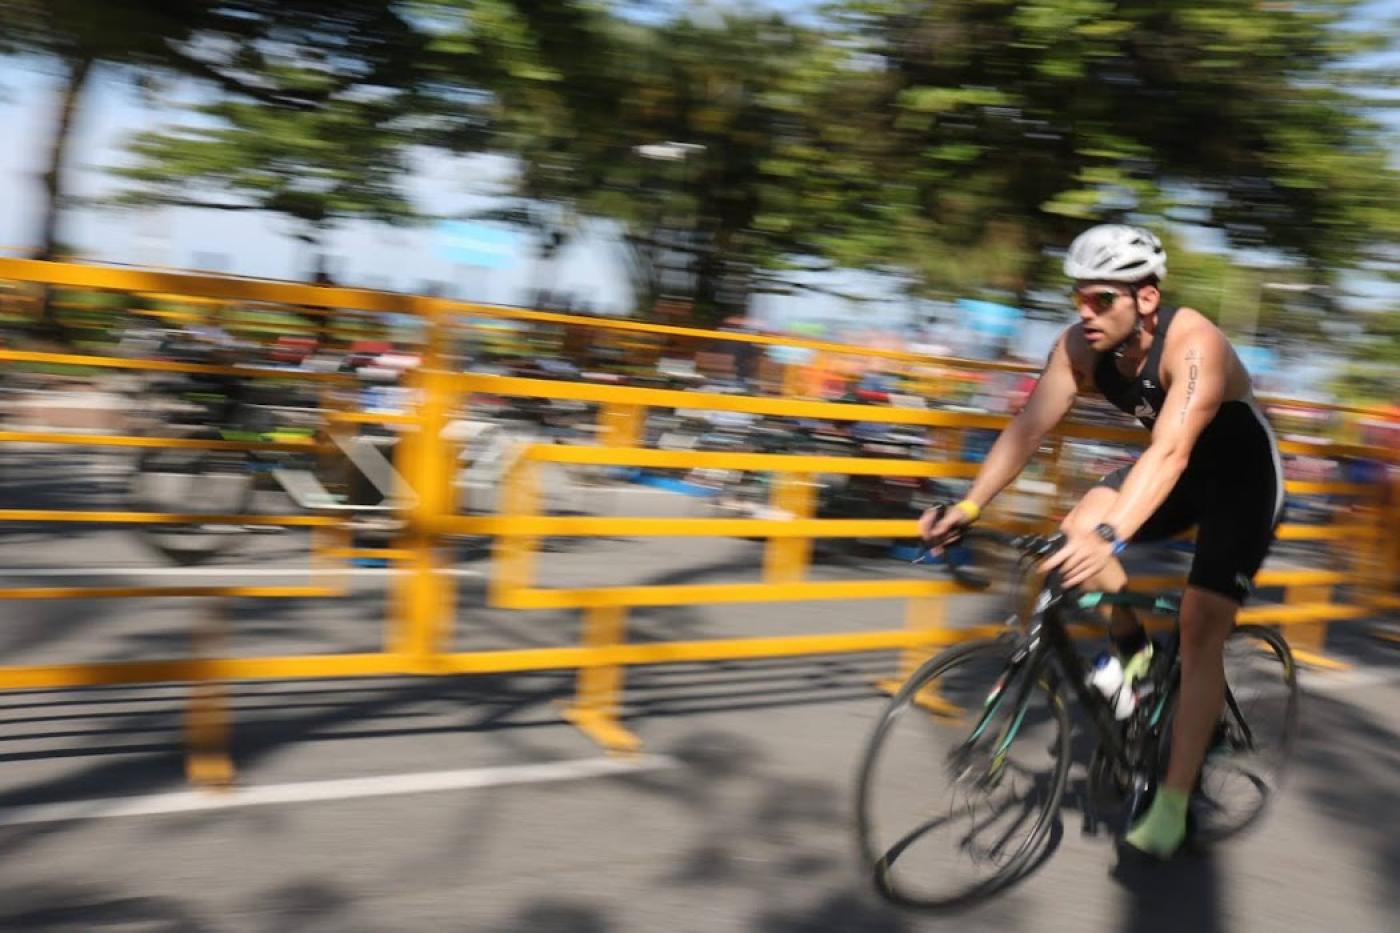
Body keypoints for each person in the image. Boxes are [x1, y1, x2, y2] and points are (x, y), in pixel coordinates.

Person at [919, 224, 1284, 860]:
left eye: (1100, 300)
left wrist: (1114, 535)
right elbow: (1028, 428)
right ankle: (1136, 655)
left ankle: (1173, 802)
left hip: (1241, 483)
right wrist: (971, 504)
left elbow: (1170, 451)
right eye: (1079, 298)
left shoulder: (1193, 344)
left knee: (1200, 626)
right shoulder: (1079, 348)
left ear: (1146, 299)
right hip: (1176, 476)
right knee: (1075, 529)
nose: (1084, 314)